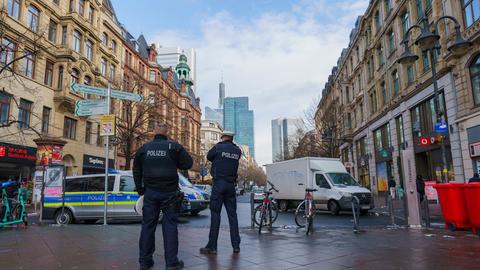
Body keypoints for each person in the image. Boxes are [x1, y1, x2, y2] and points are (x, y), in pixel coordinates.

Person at [133, 122, 193, 270]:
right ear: (167, 132)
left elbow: (136, 170)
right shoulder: (174, 147)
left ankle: (145, 261)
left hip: (150, 193)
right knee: (170, 226)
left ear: (154, 132)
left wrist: (140, 189)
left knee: (148, 226)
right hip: (170, 193)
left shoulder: (144, 148)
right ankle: (172, 262)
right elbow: (188, 163)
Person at [200, 131, 242, 255]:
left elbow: (209, 156)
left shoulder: (218, 147)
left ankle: (212, 246)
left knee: (215, 215)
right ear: (232, 138)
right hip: (230, 185)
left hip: (219, 184)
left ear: (223, 137)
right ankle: (236, 246)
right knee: (232, 216)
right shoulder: (237, 150)